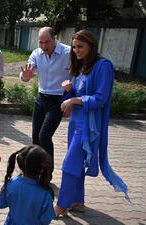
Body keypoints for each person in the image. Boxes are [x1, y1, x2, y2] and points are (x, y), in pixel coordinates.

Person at [54, 30, 129, 216]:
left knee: (69, 164)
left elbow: (100, 99)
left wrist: (73, 100)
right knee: (77, 164)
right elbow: (76, 98)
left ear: (91, 46)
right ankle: (77, 201)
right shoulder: (81, 67)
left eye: (80, 46)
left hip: (90, 126)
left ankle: (62, 205)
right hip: (75, 123)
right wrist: (69, 91)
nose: (76, 50)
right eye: (74, 46)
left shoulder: (103, 66)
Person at [20, 27, 71, 175]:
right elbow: (26, 74)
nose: (44, 46)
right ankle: (35, 170)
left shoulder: (68, 53)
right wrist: (26, 76)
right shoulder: (36, 53)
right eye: (41, 42)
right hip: (41, 98)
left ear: (55, 39)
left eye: (47, 42)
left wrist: (72, 98)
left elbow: (77, 74)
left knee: (44, 135)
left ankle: (47, 172)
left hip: (58, 100)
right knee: (36, 136)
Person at [0, 145, 55, 225]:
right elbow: (46, 219)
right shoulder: (45, 194)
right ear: (42, 169)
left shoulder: (10, 183)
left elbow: (2, 204)